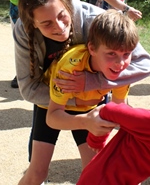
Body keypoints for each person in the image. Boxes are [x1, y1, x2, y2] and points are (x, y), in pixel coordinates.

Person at [13, 0, 150, 184]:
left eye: (62, 16)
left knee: (96, 170)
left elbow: (144, 65)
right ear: (33, 23)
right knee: (37, 172)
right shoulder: (25, 33)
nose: (60, 27)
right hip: (53, 98)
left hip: (92, 101)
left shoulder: (96, 21)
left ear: (66, 6)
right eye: (46, 23)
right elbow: (29, 89)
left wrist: (91, 83)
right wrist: (79, 100)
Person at [43, 9, 138, 175]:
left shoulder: (122, 71)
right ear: (92, 48)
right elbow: (52, 118)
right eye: (111, 54)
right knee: (37, 173)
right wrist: (86, 121)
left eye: (127, 54)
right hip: (52, 105)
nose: (120, 63)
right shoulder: (70, 68)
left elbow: (118, 107)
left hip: (90, 107)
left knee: (96, 170)